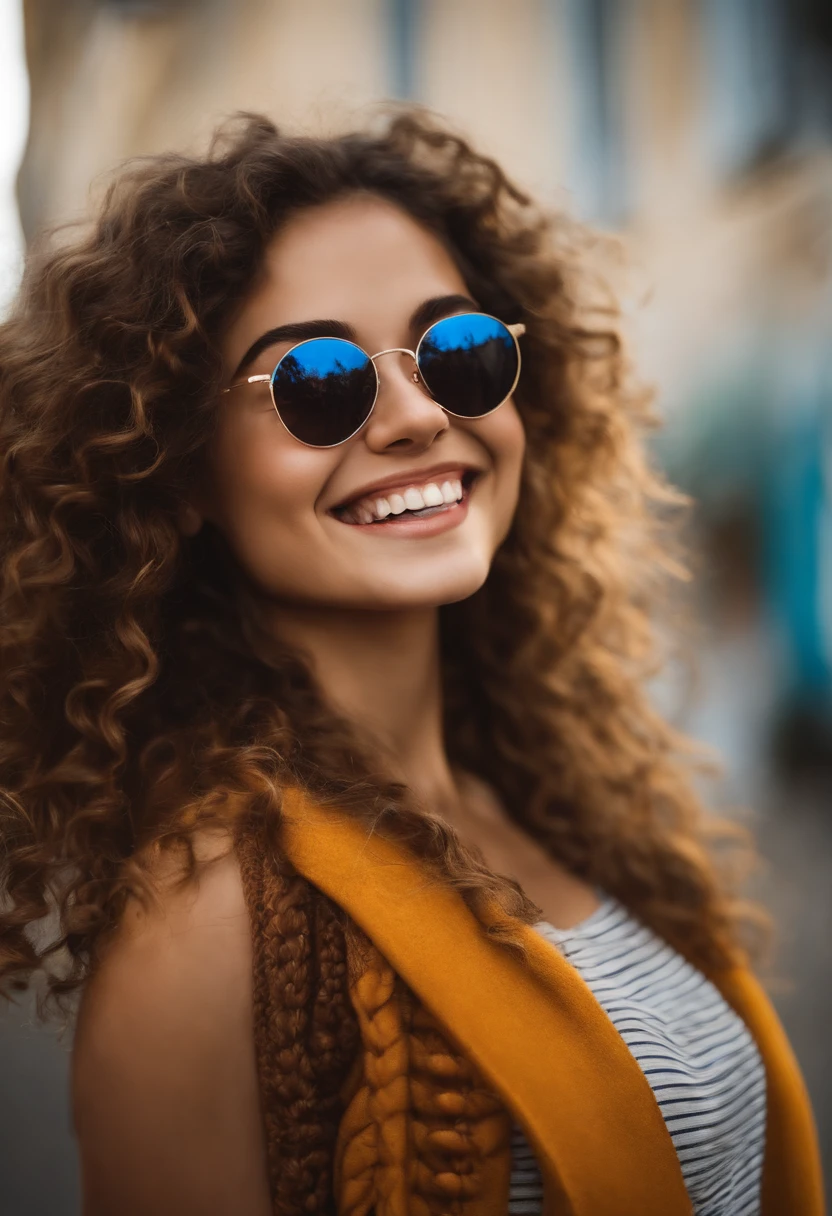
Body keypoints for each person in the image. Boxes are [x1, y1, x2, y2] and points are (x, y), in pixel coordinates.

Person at [0, 111, 823, 1216]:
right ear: (182, 469)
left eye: (458, 352)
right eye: (320, 381)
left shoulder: (555, 800)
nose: (417, 415)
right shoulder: (209, 928)